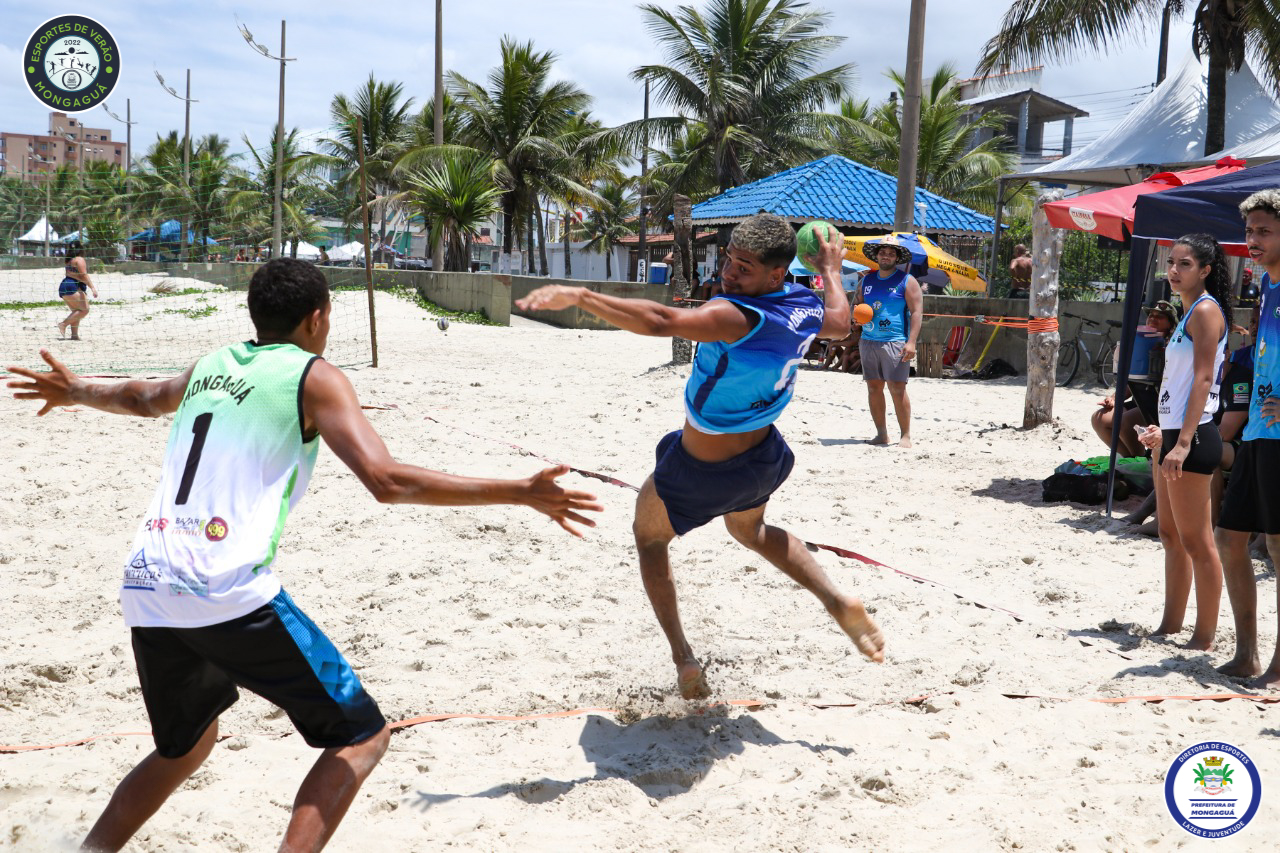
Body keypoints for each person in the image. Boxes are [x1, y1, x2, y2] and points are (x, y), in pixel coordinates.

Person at [5, 258, 601, 851]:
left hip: (146, 583)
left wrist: (76, 389)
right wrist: (518, 492)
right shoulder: (315, 376)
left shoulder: (213, 364)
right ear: (318, 318)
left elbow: (144, 397)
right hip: (224, 587)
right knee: (363, 735)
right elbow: (387, 481)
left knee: (183, 747)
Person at [514, 214, 884, 699]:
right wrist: (832, 271)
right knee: (748, 530)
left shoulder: (737, 316)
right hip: (766, 457)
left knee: (648, 540)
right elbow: (839, 324)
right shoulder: (800, 303)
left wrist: (584, 297)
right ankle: (836, 598)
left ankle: (683, 659)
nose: (730, 273)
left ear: (775, 274)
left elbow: (661, 320)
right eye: (730, 259)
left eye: (744, 267)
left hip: (704, 470)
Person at [1134, 233, 1231, 651]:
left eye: (1184, 263)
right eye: (1171, 262)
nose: (1173, 270)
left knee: (1198, 541)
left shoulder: (1206, 311)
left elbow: (1205, 380)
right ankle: (1170, 625)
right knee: (1170, 536)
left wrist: (1183, 441)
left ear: (1205, 269)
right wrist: (1163, 431)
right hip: (1172, 432)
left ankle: (1204, 636)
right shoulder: (1187, 310)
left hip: (1195, 436)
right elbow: (1179, 382)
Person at [1216, 189, 1280, 683]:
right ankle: (1247, 653)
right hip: (1259, 429)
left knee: (1278, 549)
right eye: (1249, 231)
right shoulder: (1266, 286)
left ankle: (1278, 665)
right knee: (1230, 538)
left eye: (1264, 231)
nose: (1252, 240)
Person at [854, 237, 923, 447]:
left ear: (897, 258)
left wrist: (911, 342)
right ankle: (882, 434)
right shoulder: (866, 280)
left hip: (895, 342)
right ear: (876, 255)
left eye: (891, 253)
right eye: (883, 252)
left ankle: (906, 435)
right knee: (874, 388)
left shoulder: (907, 280)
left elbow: (917, 311)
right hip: (868, 341)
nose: (886, 256)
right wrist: (855, 318)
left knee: (897, 388)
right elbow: (856, 305)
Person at [1092, 300, 1178, 457]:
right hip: (1141, 400)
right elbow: (1131, 381)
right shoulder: (1138, 343)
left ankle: (1139, 463)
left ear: (1171, 324)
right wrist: (1113, 398)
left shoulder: (1175, 347)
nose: (1153, 318)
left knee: (1126, 422)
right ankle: (1130, 461)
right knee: (1099, 419)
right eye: (1151, 315)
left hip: (1163, 406)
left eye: (1160, 316)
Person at [56, 240, 98, 341]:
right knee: (85, 309)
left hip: (64, 286)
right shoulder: (79, 259)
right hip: (72, 286)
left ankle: (74, 335)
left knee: (76, 311)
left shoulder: (69, 260)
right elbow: (84, 275)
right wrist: (92, 288)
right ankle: (63, 324)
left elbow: (71, 274)